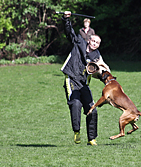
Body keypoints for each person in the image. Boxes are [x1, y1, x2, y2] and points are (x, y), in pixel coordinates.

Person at [60, 11, 110, 146]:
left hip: (83, 84)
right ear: (89, 40)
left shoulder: (96, 56)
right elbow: (69, 32)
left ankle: (91, 138)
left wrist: (105, 76)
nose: (95, 43)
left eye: (97, 43)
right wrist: (66, 19)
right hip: (71, 79)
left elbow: (100, 71)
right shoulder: (79, 42)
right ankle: (76, 131)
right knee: (76, 104)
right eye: (93, 41)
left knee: (92, 109)